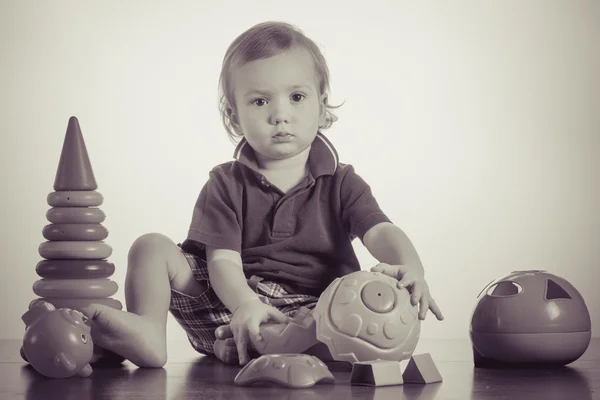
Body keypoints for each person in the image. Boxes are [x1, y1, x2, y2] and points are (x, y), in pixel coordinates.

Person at [81, 20, 444, 368]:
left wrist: (411, 267)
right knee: (151, 246)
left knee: (352, 318)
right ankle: (148, 331)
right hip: (231, 304)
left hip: (313, 310)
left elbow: (381, 231)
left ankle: (263, 349)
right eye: (259, 102)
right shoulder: (225, 183)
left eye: (297, 97)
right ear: (234, 115)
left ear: (321, 103)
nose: (280, 114)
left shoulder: (341, 181)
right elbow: (222, 261)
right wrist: (245, 304)